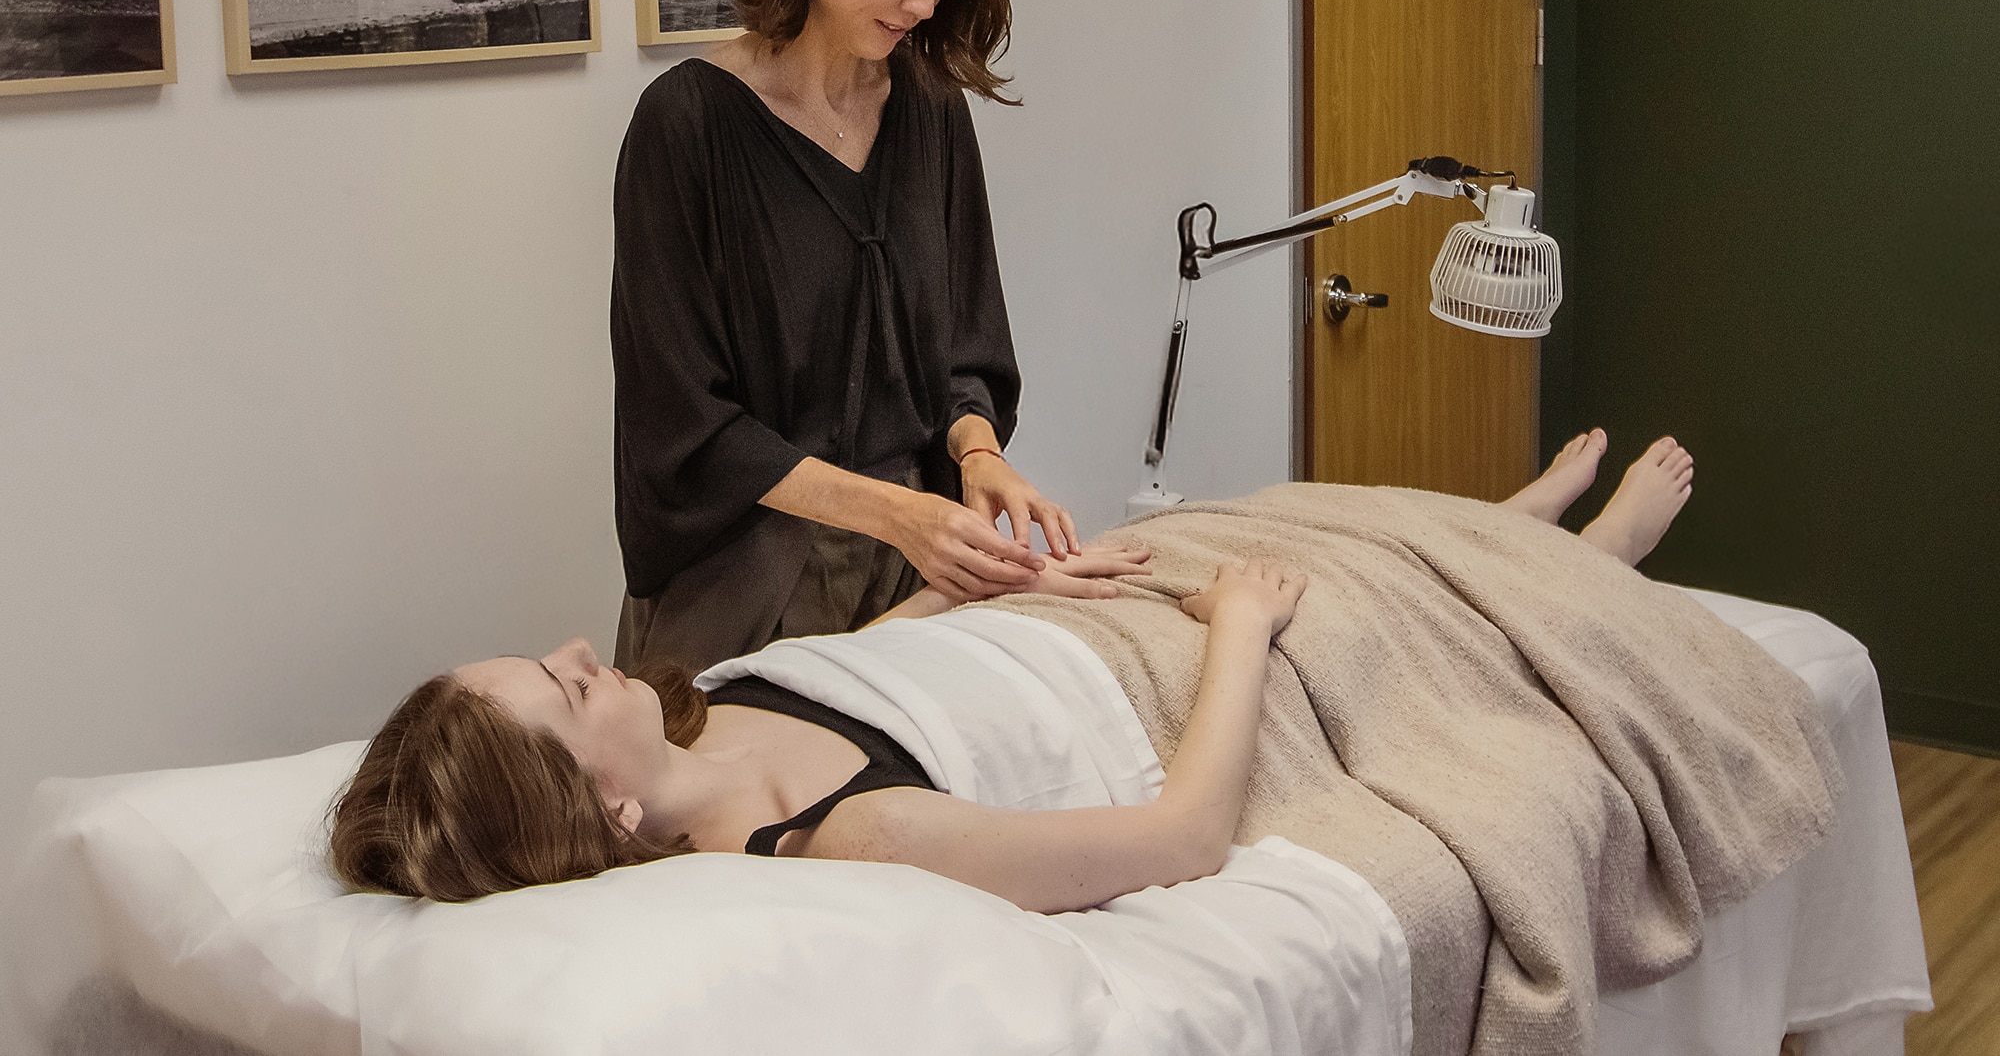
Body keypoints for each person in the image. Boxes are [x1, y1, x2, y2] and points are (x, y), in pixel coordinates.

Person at [330, 434, 1697, 912]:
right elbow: (1178, 838)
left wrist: (992, 569)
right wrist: (1234, 637)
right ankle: (1585, 559)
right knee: (1334, 601)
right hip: (1147, 679)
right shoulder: (836, 841)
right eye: (567, 690)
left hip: (1061, 616)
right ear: (607, 817)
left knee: (1283, 514)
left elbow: (878, 667)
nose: (583, 653)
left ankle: (1506, 533)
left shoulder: (714, 700)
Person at [611, 0, 1078, 677]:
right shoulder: (686, 126)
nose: (923, 3)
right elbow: (683, 421)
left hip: (919, 566)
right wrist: (891, 511)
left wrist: (979, 453)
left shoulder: (932, 110)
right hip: (746, 578)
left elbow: (967, 346)